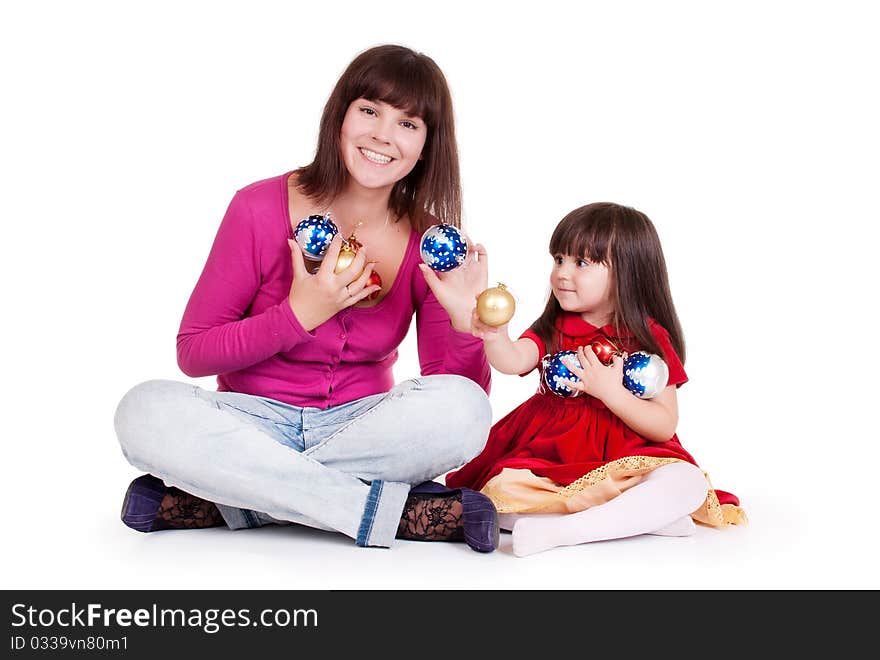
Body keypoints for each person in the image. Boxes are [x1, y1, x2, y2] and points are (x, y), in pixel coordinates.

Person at [114, 44, 500, 552]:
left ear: (427, 145)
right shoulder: (257, 207)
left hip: (360, 427)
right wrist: (298, 315)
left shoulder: (431, 242)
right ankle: (372, 511)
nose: (383, 135)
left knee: (467, 409)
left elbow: (453, 396)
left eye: (408, 124)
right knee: (142, 412)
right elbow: (194, 351)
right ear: (339, 117)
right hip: (250, 422)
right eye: (369, 111)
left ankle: (240, 498)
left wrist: (467, 324)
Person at [445, 202, 746, 556]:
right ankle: (638, 520)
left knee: (688, 483)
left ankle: (565, 530)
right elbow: (513, 360)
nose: (561, 273)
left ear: (627, 272)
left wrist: (610, 393)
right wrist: (495, 336)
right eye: (558, 259)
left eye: (581, 263)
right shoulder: (553, 328)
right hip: (552, 458)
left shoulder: (648, 338)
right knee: (499, 495)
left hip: (626, 461)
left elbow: (664, 426)